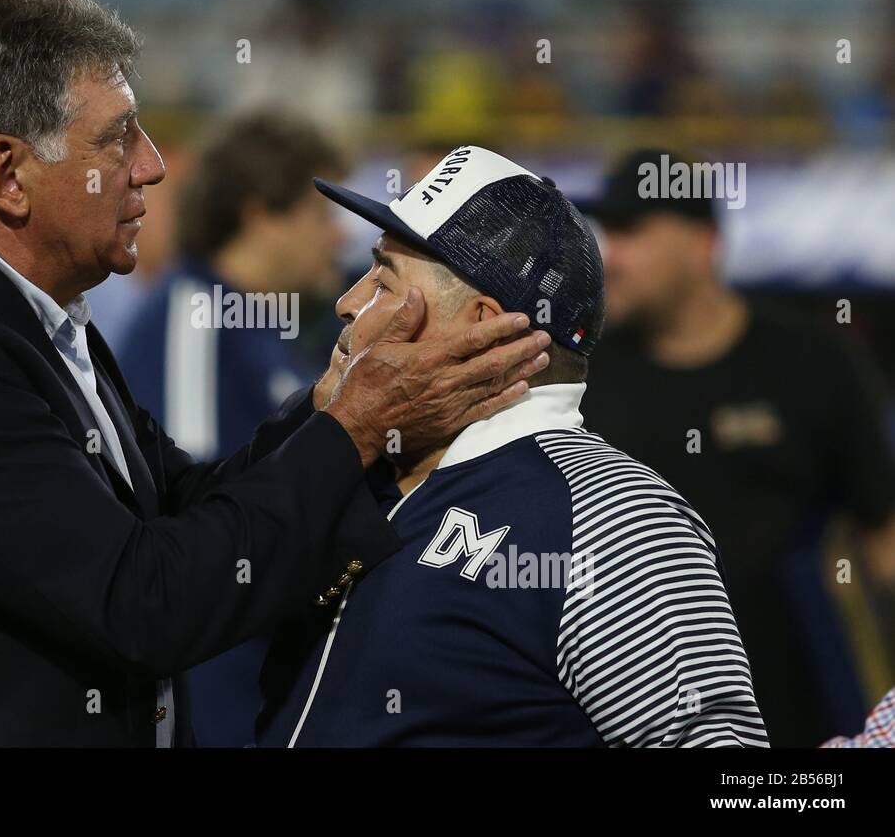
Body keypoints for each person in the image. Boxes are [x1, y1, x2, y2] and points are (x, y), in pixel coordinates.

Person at [0, 0, 548, 746]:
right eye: (117, 137)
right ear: (7, 174)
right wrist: (356, 426)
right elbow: (143, 603)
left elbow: (176, 505)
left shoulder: (25, 315)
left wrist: (339, 403)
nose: (155, 165)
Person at [256, 145, 768, 747]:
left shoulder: (615, 520)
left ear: (482, 328)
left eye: (383, 282)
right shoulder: (363, 461)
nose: (347, 303)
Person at [580, 148, 895, 746]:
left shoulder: (813, 365)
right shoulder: (582, 379)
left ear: (703, 244)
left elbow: (883, 537)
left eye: (632, 232)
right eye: (606, 233)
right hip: (628, 715)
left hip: (805, 720)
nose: (609, 256)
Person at [118, 111, 347, 746]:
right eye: (321, 214)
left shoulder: (259, 328)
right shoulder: (196, 317)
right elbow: (192, 526)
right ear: (259, 215)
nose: (336, 239)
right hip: (216, 691)